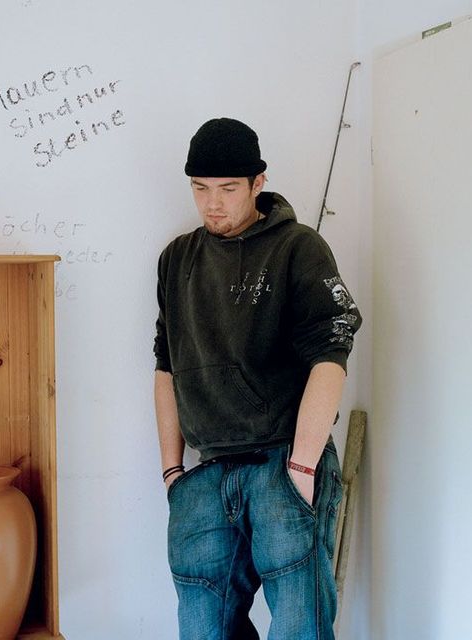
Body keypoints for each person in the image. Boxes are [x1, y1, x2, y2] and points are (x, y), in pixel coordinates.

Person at [153, 117, 362, 640]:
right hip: (205, 474)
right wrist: (173, 472)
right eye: (200, 188)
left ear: (257, 183)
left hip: (282, 465)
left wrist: (303, 466)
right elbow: (166, 365)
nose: (212, 204)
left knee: (299, 628)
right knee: (203, 630)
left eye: (227, 189)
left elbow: (330, 355)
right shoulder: (176, 260)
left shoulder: (298, 248)